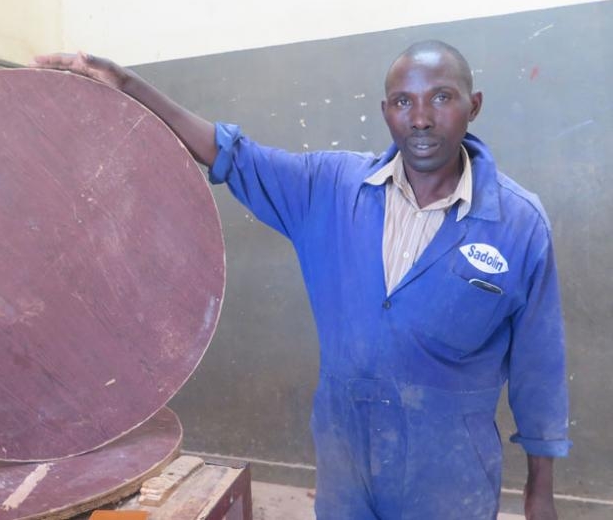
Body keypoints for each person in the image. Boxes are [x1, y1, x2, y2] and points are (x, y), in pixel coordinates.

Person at [32, 40, 570, 520]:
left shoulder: (518, 224)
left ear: (473, 106)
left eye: (442, 97)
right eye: (404, 102)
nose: (422, 118)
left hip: (449, 475)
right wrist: (127, 85)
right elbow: (231, 154)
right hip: (346, 466)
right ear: (386, 112)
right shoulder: (332, 189)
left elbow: (539, 370)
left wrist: (539, 494)